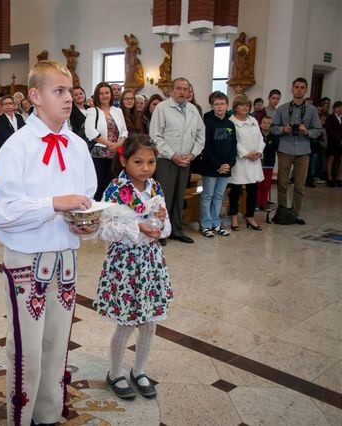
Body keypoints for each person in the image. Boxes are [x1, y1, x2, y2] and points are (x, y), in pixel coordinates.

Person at [0, 61, 97, 426]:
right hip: (27, 261)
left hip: (65, 258)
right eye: (59, 91)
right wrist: (53, 203)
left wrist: (88, 223)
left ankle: (48, 415)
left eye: (70, 91)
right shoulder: (17, 147)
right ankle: (22, 416)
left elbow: (87, 198)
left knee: (56, 344)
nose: (68, 98)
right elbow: (0, 211)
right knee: (27, 350)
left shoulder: (78, 146)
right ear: (34, 96)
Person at [94, 134, 172, 400]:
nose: (146, 168)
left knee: (149, 322)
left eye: (151, 162)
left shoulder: (155, 187)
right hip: (125, 264)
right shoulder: (115, 190)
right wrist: (136, 225)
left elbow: (164, 226)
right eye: (138, 161)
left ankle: (139, 370)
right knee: (127, 322)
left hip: (151, 263)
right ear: (124, 160)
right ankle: (115, 372)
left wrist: (160, 225)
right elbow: (104, 228)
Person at [150, 77, 205, 244]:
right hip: (166, 160)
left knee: (179, 197)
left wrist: (193, 154)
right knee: (164, 197)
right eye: (179, 88)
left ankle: (176, 230)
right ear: (172, 91)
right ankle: (160, 231)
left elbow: (200, 136)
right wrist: (172, 155)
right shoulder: (162, 108)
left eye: (185, 89)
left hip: (185, 160)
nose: (182, 92)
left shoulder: (193, 110)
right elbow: (155, 136)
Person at [271, 78, 322, 224]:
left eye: (302, 88)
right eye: (297, 87)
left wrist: (306, 132)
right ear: (292, 89)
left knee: (299, 184)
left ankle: (296, 213)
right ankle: (281, 211)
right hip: (285, 148)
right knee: (282, 182)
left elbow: (318, 130)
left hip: (303, 150)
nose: (299, 90)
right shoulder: (282, 108)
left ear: (306, 90)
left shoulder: (312, 110)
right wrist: (283, 129)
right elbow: (273, 128)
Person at [199, 91, 237, 237]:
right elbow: (206, 147)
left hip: (226, 168)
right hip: (211, 167)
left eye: (222, 104)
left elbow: (234, 146)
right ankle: (205, 225)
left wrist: (229, 164)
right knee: (207, 196)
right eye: (216, 104)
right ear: (212, 106)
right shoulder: (208, 123)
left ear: (227, 105)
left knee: (219, 196)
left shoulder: (230, 124)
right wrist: (217, 165)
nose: (220, 107)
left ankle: (216, 224)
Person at [85, 82, 128, 201]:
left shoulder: (117, 111)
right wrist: (109, 144)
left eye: (107, 93)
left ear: (111, 94)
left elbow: (124, 131)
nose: (104, 96)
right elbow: (90, 132)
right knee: (99, 186)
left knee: (112, 186)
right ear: (97, 95)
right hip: (99, 155)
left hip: (115, 154)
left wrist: (118, 144)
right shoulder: (93, 111)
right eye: (101, 93)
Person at [228, 95, 265, 231]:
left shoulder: (253, 120)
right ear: (235, 107)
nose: (245, 107)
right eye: (242, 105)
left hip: (255, 160)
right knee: (235, 190)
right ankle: (234, 216)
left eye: (247, 105)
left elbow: (261, 138)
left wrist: (259, 152)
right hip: (240, 160)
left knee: (253, 190)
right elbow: (233, 141)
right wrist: (246, 153)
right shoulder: (231, 121)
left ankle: (250, 216)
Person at [257, 115, 279, 209]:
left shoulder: (274, 137)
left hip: (268, 164)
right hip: (257, 164)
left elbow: (272, 148)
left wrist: (264, 148)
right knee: (257, 184)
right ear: (261, 124)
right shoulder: (257, 135)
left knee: (266, 185)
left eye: (269, 123)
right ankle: (256, 202)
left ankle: (263, 202)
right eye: (264, 122)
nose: (266, 125)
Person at [324, 100, 342, 187]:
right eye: (338, 108)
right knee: (331, 159)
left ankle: (338, 178)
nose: (340, 109)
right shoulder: (330, 118)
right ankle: (330, 178)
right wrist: (338, 139)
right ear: (334, 108)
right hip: (332, 142)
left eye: (341, 108)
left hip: (341, 143)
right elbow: (330, 131)